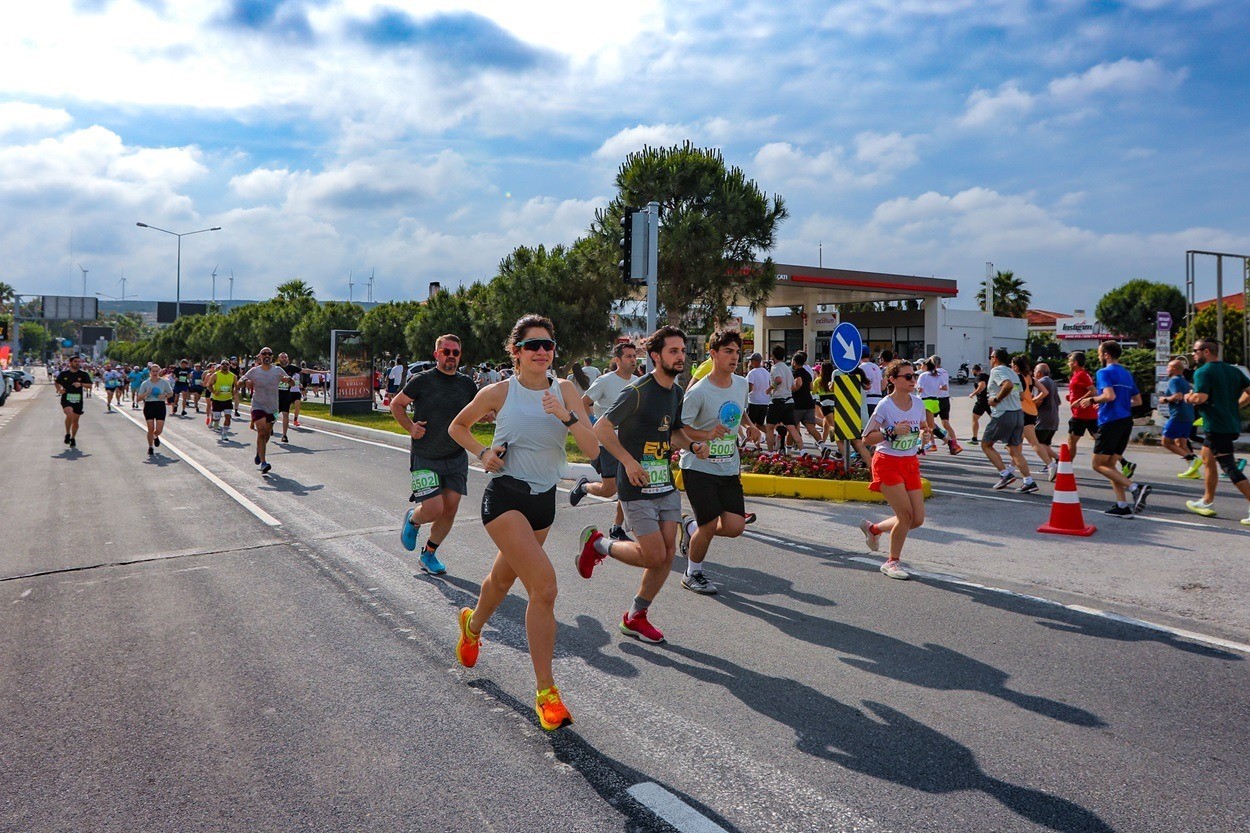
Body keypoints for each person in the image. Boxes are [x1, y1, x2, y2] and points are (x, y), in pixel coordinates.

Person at [448, 314, 600, 731]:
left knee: (501, 582)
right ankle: (546, 693)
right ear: (515, 352)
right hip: (506, 497)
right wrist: (482, 453)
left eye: (548, 345)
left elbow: (592, 446)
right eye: (532, 345)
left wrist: (566, 416)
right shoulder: (500, 391)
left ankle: (472, 625)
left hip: (543, 502)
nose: (541, 352)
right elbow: (457, 426)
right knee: (544, 586)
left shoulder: (565, 390)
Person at [577, 326, 704, 645]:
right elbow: (603, 428)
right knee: (652, 555)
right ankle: (599, 545)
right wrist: (628, 461)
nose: (680, 356)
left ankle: (636, 616)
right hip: (635, 484)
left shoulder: (676, 392)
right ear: (656, 356)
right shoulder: (637, 391)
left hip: (663, 483)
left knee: (667, 553)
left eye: (682, 350)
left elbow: (673, 433)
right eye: (673, 351)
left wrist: (691, 446)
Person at [390, 333, 478, 575]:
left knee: (450, 508)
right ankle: (413, 519)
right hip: (425, 456)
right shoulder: (422, 380)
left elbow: (481, 410)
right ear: (436, 354)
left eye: (455, 352)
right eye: (446, 351)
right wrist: (411, 427)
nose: (451, 356)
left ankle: (429, 554)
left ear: (460, 356)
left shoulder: (467, 384)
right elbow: (396, 404)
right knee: (433, 509)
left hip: (456, 456)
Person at [676, 329, 755, 594]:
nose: (735, 357)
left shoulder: (742, 384)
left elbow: (740, 411)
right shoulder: (699, 392)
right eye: (728, 352)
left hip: (728, 467)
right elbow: (680, 429)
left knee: (735, 526)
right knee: (709, 525)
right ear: (713, 354)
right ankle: (692, 573)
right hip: (698, 467)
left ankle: (691, 527)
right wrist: (705, 436)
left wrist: (750, 426)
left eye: (737, 352)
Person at [858, 359, 930, 580]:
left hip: (909, 463)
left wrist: (923, 436)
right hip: (887, 461)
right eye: (907, 376)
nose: (913, 380)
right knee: (905, 515)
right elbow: (867, 438)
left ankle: (874, 529)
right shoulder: (885, 405)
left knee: (917, 519)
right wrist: (891, 431)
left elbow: (924, 428)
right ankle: (892, 562)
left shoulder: (918, 403)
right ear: (892, 380)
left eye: (914, 375)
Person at [1074, 340, 1151, 516]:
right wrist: (1115, 405)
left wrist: (1092, 400)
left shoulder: (1103, 372)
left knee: (1097, 464)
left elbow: (1109, 395)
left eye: (1100, 352)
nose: (1099, 355)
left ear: (1106, 355)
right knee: (1110, 464)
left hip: (1110, 421)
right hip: (1125, 421)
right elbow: (1137, 401)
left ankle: (1136, 488)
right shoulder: (1126, 373)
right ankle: (1122, 506)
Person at [570, 341, 638, 542]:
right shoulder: (605, 381)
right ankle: (583, 486)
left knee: (629, 484)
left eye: (634, 356)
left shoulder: (638, 381)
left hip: (630, 442)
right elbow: (584, 402)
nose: (633, 360)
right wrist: (591, 423)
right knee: (609, 489)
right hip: (607, 441)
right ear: (617, 360)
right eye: (628, 356)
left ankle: (616, 528)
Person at [1182, 338, 1250, 523]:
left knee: (1229, 467)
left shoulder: (1203, 372)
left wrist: (1188, 397)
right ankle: (1207, 501)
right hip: (1227, 423)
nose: (1193, 354)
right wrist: (1235, 406)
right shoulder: (1233, 370)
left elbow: (1201, 398)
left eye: (1196, 351)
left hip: (1217, 426)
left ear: (1206, 352)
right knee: (1206, 457)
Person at [979, 348, 1039, 494]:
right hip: (1018, 413)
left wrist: (996, 399)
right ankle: (1029, 481)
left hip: (1004, 413)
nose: (990, 359)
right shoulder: (1013, 372)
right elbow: (1020, 395)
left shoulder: (997, 370)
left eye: (991, 356)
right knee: (1013, 449)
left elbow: (1008, 385)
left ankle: (1005, 474)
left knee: (986, 445)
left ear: (995, 358)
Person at [240, 348, 291, 475]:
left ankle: (259, 452)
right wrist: (246, 381)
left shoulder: (278, 370)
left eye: (269, 354)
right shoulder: (254, 371)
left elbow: (291, 382)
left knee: (267, 434)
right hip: (258, 405)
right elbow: (239, 382)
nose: (267, 356)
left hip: (273, 408)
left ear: (272, 357)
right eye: (264, 354)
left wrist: (288, 380)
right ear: (259, 357)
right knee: (261, 431)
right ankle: (263, 463)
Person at [1013, 354, 1057, 476]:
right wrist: (1033, 400)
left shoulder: (1017, 378)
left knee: (1033, 443)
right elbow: (1045, 392)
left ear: (1016, 366)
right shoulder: (1031, 378)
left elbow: (1018, 395)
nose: (1011, 366)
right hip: (1032, 411)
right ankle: (1011, 468)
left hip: (1023, 412)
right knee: (1018, 442)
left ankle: (1051, 465)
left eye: (1012, 364)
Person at [1159, 358, 1201, 478]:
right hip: (1189, 415)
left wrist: (1165, 399)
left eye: (1168, 367)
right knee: (1181, 443)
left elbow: (1178, 396)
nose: (1167, 369)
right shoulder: (1184, 381)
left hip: (1178, 415)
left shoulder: (1174, 380)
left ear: (1174, 369)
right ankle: (1193, 471)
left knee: (1166, 442)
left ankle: (1192, 459)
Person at [766, 344, 802, 453]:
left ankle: (770, 452)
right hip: (789, 400)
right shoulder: (788, 368)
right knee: (792, 428)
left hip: (778, 401)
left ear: (773, 356)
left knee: (769, 428)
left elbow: (778, 380)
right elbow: (792, 385)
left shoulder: (775, 367)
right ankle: (803, 451)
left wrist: (770, 389)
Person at [1065, 351, 1100, 460]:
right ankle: (1122, 461)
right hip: (1089, 414)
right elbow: (1082, 390)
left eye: (1069, 362)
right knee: (1099, 439)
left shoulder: (1081, 375)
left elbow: (1093, 391)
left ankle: (1066, 468)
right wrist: (1070, 398)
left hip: (1081, 414)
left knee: (1071, 440)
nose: (1068, 364)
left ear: (1075, 363)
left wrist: (1078, 401)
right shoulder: (1080, 375)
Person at [54, 355, 92, 448]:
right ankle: (67, 434)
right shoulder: (64, 374)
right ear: (70, 363)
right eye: (75, 361)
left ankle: (73, 438)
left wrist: (81, 384)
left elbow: (90, 386)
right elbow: (56, 382)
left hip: (78, 400)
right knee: (69, 415)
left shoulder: (83, 374)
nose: (77, 363)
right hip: (66, 398)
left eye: (79, 361)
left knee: (75, 421)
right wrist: (59, 389)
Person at [136, 364, 173, 456]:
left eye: (157, 371)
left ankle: (156, 436)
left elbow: (170, 393)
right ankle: (150, 447)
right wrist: (146, 393)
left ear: (159, 372)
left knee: (159, 430)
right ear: (150, 372)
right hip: (149, 405)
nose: (155, 373)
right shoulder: (145, 383)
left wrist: (164, 396)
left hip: (160, 405)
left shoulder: (164, 383)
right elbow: (138, 399)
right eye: (153, 371)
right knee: (150, 429)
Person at [1033, 362, 1061, 481]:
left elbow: (1038, 401)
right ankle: (1049, 464)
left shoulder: (1041, 383)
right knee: (1045, 443)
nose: (1033, 373)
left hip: (1043, 418)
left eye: (1034, 371)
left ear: (1039, 373)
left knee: (1037, 443)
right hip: (1054, 417)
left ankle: (1057, 460)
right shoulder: (1053, 383)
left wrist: (1030, 403)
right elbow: (1058, 401)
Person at [275, 352, 312, 442]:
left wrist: (322, 372)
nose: (284, 358)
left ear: (287, 358)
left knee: (285, 414)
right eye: (282, 357)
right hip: (275, 395)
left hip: (286, 395)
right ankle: (270, 427)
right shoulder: (275, 367)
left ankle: (284, 435)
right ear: (279, 359)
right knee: (273, 415)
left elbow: (305, 371)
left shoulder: (291, 368)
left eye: (285, 357)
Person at [790, 351, 822, 446]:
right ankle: (822, 446)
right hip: (809, 403)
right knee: (811, 428)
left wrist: (791, 390)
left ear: (794, 362)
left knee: (791, 427)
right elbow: (811, 387)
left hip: (797, 404)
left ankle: (789, 449)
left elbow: (798, 383)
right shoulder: (807, 373)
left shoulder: (796, 372)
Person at [745, 352, 771, 451]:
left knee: (750, 425)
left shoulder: (752, 373)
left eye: (751, 360)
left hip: (754, 401)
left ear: (755, 361)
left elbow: (750, 387)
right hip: (764, 401)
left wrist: (744, 393)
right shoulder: (766, 372)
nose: (750, 362)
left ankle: (757, 445)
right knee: (759, 424)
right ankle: (772, 435)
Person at [204, 359, 237, 437]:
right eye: (223, 364)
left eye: (227, 364)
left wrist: (234, 391)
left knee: (228, 417)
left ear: (229, 366)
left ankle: (224, 433)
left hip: (228, 399)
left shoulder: (233, 376)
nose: (225, 365)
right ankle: (215, 421)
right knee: (216, 418)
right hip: (217, 400)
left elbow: (236, 386)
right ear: (220, 366)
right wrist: (214, 392)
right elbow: (209, 385)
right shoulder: (215, 375)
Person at [968, 363, 990, 441]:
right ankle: (1005, 438)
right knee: (995, 419)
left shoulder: (978, 376)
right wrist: (976, 390)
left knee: (974, 418)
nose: (972, 373)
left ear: (974, 370)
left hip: (982, 401)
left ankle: (974, 438)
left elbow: (982, 386)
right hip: (989, 400)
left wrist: (973, 394)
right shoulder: (987, 376)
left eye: (972, 371)